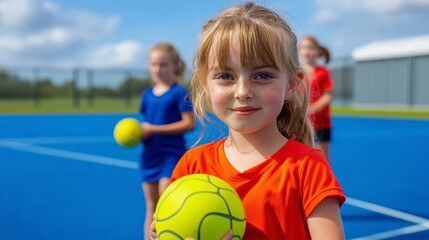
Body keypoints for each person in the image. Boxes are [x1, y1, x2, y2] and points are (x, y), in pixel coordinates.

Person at [150, 2, 345, 239]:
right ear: (204, 83)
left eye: (262, 75)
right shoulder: (192, 166)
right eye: (225, 76)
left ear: (293, 85)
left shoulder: (308, 168)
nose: (242, 91)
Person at [139, 42, 195, 240]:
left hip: (171, 156)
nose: (157, 69)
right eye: (153, 64)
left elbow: (189, 123)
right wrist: (139, 133)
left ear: (175, 66)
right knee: (151, 207)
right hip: (149, 156)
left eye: (163, 64)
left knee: (165, 206)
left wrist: (153, 129)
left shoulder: (179, 93)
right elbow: (146, 123)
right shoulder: (146, 95)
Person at [299, 35, 335, 163]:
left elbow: (328, 95)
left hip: (322, 123)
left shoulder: (322, 72)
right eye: (303, 47)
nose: (306, 51)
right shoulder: (299, 73)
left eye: (310, 47)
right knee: (304, 155)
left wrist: (313, 108)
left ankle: (326, 181)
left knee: (323, 156)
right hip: (304, 122)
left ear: (318, 51)